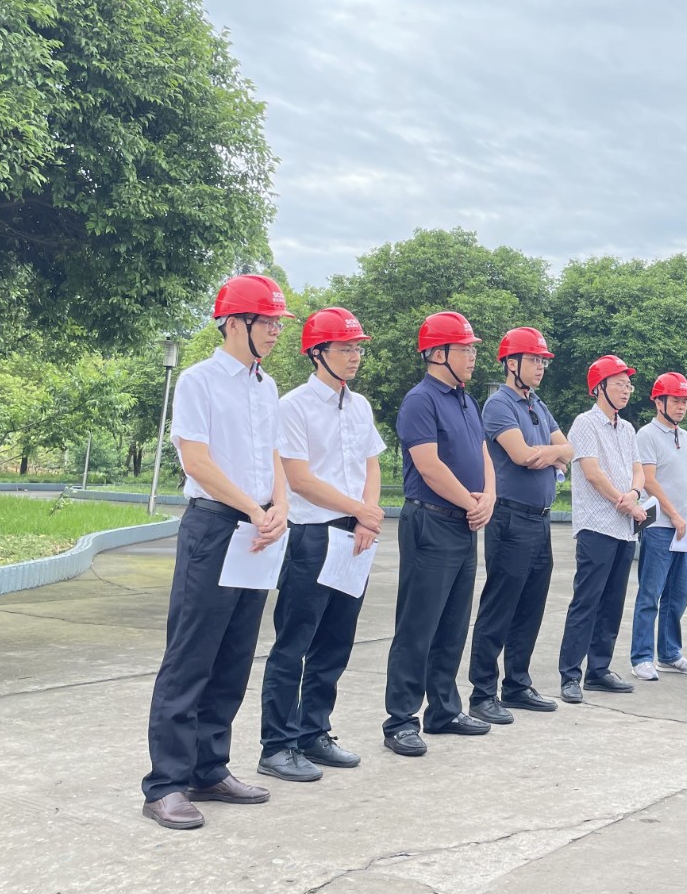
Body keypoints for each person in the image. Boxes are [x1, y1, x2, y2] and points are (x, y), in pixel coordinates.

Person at [141, 273, 294, 830]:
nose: (276, 330)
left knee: (233, 656)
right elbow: (197, 461)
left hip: (258, 530)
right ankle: (166, 784)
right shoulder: (198, 381)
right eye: (267, 321)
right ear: (234, 323)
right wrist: (253, 508)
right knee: (191, 656)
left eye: (278, 322)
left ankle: (209, 769)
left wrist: (280, 505)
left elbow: (274, 454)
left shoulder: (266, 386)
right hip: (214, 526)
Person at [258, 307, 386, 782]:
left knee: (335, 641)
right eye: (344, 348)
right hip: (313, 536)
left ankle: (314, 732)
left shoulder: (360, 405)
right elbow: (299, 478)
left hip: (356, 535)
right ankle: (277, 744)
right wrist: (360, 510)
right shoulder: (293, 406)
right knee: (294, 642)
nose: (354, 356)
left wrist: (367, 515)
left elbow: (372, 463)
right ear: (316, 353)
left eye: (357, 348)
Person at [383, 311, 496, 758]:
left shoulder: (466, 400)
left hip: (464, 523)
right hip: (430, 522)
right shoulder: (420, 400)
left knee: (452, 623)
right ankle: (401, 719)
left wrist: (488, 497)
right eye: (464, 349)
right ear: (437, 353)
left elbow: (483, 454)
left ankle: (444, 710)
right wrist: (472, 503)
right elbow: (429, 466)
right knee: (418, 624)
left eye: (471, 349)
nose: (472, 356)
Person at [467, 327, 573, 723]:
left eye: (543, 361)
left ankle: (517, 685)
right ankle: (482, 693)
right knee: (500, 605)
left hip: (540, 520)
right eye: (533, 360)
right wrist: (550, 453)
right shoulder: (499, 405)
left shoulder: (537, 404)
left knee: (530, 606)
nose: (541, 367)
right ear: (511, 363)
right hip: (510, 518)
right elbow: (522, 455)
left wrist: (551, 453)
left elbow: (569, 449)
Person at [558, 355, 646, 703]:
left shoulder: (628, 429)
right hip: (597, 527)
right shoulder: (585, 423)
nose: (626, 390)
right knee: (587, 601)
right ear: (599, 387)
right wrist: (621, 500)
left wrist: (634, 494)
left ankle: (599, 670)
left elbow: (638, 470)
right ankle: (570, 675)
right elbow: (592, 472)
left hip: (624, 527)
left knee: (612, 603)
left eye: (628, 384)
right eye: (619, 384)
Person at [630, 373, 687, 681]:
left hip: (685, 530)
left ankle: (670, 653)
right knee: (650, 594)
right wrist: (674, 515)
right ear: (659, 402)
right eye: (675, 400)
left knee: (678, 595)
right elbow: (649, 480)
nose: (681, 406)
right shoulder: (646, 436)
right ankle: (641, 657)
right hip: (660, 527)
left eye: (684, 401)